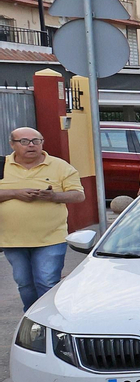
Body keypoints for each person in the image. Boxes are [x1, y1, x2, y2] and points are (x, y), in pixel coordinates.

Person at [0, 128, 85, 310]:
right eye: (24, 141)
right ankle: (32, 320)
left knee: (47, 281)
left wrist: (53, 197)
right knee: (25, 283)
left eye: (36, 141)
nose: (31, 145)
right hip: (12, 239)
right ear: (12, 144)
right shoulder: (2, 165)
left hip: (51, 237)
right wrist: (15, 193)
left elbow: (78, 195)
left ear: (42, 143)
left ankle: (48, 320)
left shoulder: (60, 166)